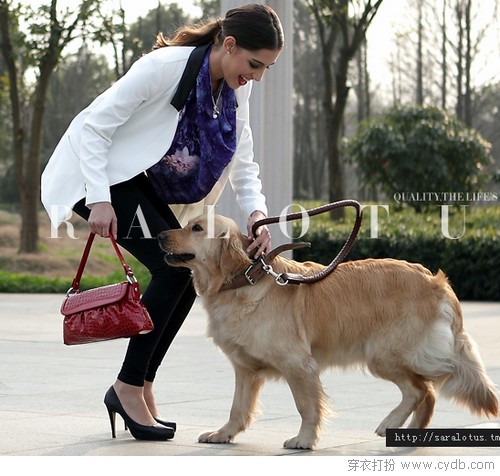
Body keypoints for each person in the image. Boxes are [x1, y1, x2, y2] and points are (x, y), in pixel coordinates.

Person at [41, 3, 284, 441]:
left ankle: (141, 383)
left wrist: (257, 215)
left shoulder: (234, 86)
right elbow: (95, 126)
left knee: (184, 269)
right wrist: (99, 200)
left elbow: (242, 158)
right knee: (171, 267)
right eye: (254, 64)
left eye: (266, 67)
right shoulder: (162, 68)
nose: (257, 76)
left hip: (127, 175)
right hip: (90, 174)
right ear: (228, 45)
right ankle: (127, 386)